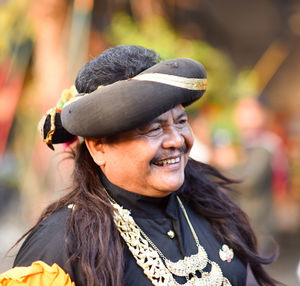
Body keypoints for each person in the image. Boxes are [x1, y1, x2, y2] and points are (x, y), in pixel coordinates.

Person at [0, 45, 280, 286]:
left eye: (181, 122)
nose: (176, 140)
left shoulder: (214, 210)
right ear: (99, 147)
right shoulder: (62, 246)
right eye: (153, 129)